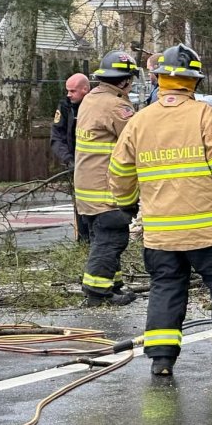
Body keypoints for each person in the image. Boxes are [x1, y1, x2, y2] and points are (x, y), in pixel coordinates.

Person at [109, 44, 212, 376]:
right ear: (193, 81)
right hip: (208, 230)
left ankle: (162, 360)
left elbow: (120, 171)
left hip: (161, 233)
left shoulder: (139, 121)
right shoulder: (204, 115)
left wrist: (126, 204)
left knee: (166, 287)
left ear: (159, 78)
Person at [75, 53, 141, 306]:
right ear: (124, 81)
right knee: (112, 239)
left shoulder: (91, 99)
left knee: (101, 238)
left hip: (87, 189)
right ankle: (97, 292)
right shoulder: (116, 106)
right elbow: (136, 141)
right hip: (106, 189)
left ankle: (112, 285)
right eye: (131, 79)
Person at [52, 73, 91, 242]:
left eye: (73, 91)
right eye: (68, 90)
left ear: (85, 89)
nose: (69, 94)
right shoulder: (65, 106)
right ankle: (83, 241)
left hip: (95, 165)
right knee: (80, 206)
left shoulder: (95, 105)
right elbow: (56, 136)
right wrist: (68, 159)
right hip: (75, 163)